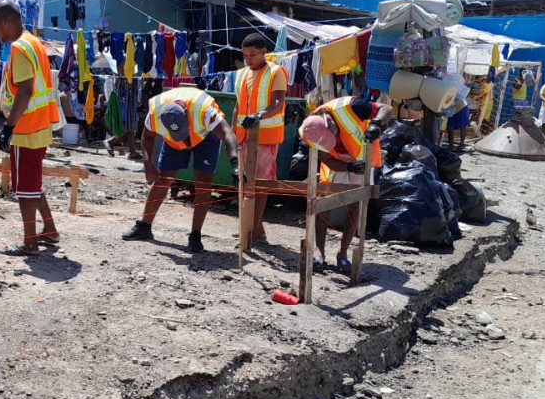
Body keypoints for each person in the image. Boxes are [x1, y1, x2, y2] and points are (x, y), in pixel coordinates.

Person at [122, 86, 239, 253]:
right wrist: (147, 164)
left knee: (204, 183)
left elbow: (228, 134)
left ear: (186, 114)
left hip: (206, 136)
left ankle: (195, 235)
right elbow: (147, 137)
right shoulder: (155, 114)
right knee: (163, 179)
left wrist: (235, 163)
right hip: (173, 142)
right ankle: (145, 227)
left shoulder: (204, 111)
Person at [0, 0, 61, 256]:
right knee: (33, 182)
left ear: (6, 22)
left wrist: (8, 127)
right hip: (40, 124)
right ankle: (50, 229)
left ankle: (29, 243)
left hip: (26, 128)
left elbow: (25, 90)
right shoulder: (34, 42)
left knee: (25, 189)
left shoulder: (19, 48)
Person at [298, 96, 392, 273]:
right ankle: (319, 251)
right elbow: (326, 159)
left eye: (333, 135)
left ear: (329, 122)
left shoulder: (351, 107)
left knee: (354, 203)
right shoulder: (309, 130)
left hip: (361, 156)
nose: (333, 139)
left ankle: (342, 254)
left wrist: (376, 123)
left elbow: (386, 108)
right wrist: (347, 166)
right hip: (338, 161)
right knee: (323, 201)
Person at [234, 33, 287, 246]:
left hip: (265, 136)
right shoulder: (240, 74)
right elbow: (237, 106)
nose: (248, 59)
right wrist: (232, 134)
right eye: (245, 55)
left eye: (253, 55)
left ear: (264, 52)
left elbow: (278, 103)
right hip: (243, 136)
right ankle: (255, 228)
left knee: (261, 184)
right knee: (245, 182)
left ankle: (252, 231)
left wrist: (259, 115)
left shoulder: (276, 72)